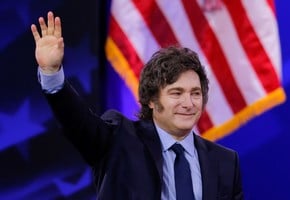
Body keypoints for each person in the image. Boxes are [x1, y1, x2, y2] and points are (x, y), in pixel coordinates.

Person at [31, 11, 243, 200]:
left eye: (195, 93)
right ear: (152, 100)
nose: (188, 103)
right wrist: (52, 75)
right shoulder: (120, 140)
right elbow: (77, 122)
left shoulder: (225, 161)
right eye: (176, 93)